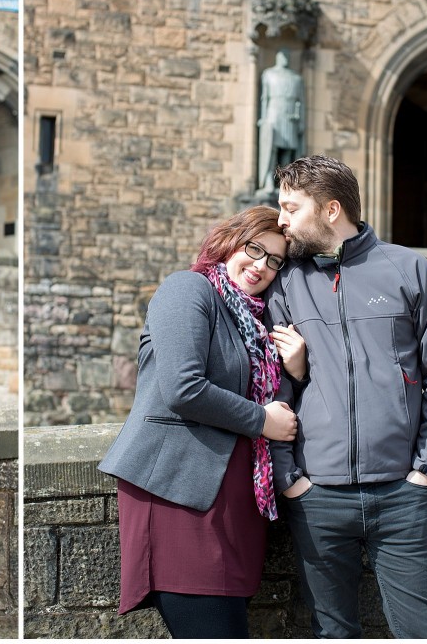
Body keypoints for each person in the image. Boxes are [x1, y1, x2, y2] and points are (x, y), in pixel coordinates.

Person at [265, 155, 427, 638]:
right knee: (332, 633)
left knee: (421, 631)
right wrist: (289, 477)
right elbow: (270, 385)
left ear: (331, 210)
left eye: (292, 207)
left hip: (401, 493)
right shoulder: (288, 282)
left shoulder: (408, 269)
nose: (281, 220)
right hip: (318, 496)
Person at [98, 205, 306, 638]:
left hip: (235, 502)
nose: (262, 266)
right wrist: (259, 421)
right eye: (255, 249)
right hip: (178, 492)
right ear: (230, 241)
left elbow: (276, 402)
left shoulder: (254, 320)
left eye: (275, 261)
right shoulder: (188, 289)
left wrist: (297, 370)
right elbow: (182, 388)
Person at [257, 49, 305, 192]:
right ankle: (268, 181)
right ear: (277, 56)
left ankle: (284, 182)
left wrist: (301, 121)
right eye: (282, 55)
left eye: (287, 55)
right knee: (271, 149)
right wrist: (264, 117)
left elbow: (301, 101)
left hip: (290, 116)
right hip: (274, 113)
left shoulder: (296, 78)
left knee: (288, 151)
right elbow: (264, 98)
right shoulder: (269, 74)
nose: (285, 58)